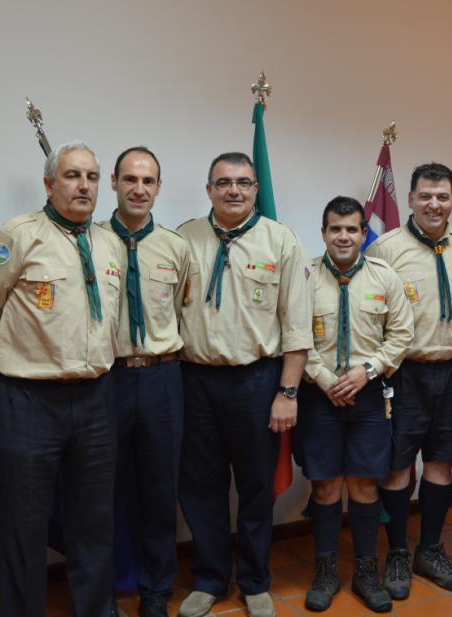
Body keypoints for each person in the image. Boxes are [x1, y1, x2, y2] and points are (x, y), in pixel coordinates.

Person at [0, 141, 125, 617]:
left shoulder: (108, 242)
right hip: (29, 400)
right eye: (73, 175)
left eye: (93, 177)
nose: (84, 185)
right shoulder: (15, 237)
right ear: (49, 183)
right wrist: (19, 367)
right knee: (25, 523)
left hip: (96, 398)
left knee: (93, 521)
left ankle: (95, 610)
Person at [175, 152, 312, 617]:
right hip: (194, 381)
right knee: (200, 486)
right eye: (224, 182)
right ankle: (210, 578)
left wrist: (288, 392)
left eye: (244, 183)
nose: (234, 190)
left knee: (255, 488)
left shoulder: (281, 242)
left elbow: (297, 328)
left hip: (257, 383)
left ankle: (254, 581)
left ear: (256, 189)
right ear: (208, 188)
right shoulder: (181, 239)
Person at [298, 196, 414, 613]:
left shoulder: (385, 277)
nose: (344, 236)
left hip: (368, 396)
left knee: (365, 484)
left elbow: (401, 335)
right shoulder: (305, 276)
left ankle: (367, 570)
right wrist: (327, 379)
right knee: (325, 484)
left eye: (352, 229)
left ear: (364, 233)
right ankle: (326, 570)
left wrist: (367, 371)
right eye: (335, 228)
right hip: (319, 394)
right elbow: (293, 336)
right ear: (324, 232)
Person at [366, 162, 452, 599]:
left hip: (451, 370)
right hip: (402, 373)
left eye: (442, 196)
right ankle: (396, 552)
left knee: (440, 463)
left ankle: (429, 550)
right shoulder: (385, 248)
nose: (434, 203)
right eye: (426, 195)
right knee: (397, 467)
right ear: (410, 199)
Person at [98, 146, 190, 617]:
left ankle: (156, 588)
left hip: (161, 378)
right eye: (130, 179)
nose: (139, 189)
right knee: (102, 489)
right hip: (105, 381)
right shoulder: (89, 242)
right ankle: (110, 586)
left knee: (159, 487)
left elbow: (183, 312)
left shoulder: (176, 247)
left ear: (158, 187)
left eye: (148, 181)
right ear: (113, 181)